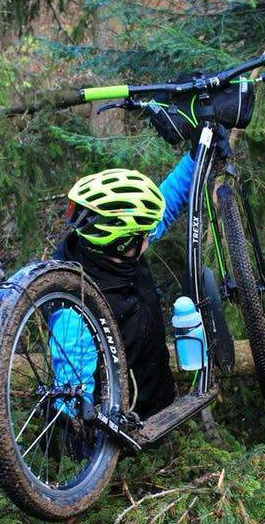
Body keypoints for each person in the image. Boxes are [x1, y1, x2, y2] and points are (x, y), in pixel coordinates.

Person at [53, 152, 195, 420]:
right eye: (143, 234)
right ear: (122, 243)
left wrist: (197, 157)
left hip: (159, 411)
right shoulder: (74, 305)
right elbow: (71, 390)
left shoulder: (112, 252)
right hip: (125, 439)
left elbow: (169, 200)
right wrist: (82, 414)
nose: (150, 234)